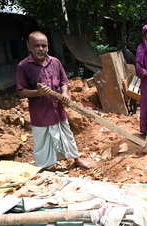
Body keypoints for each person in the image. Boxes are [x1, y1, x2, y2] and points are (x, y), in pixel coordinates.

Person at [16, 31, 91, 169]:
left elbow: (64, 82)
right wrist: (37, 92)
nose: (41, 49)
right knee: (42, 142)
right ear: (29, 47)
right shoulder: (23, 66)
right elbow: (21, 91)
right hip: (40, 113)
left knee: (67, 135)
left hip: (58, 110)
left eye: (43, 45)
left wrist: (65, 93)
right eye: (36, 45)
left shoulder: (55, 62)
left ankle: (76, 160)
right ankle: (43, 167)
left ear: (48, 46)